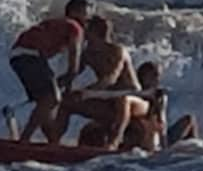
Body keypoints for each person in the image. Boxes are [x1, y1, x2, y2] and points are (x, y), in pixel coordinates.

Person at [7, 0, 90, 142]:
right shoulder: (75, 27)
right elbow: (73, 69)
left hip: (17, 55)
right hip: (30, 55)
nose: (87, 19)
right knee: (52, 98)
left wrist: (59, 84)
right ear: (75, 12)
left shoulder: (57, 23)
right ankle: (24, 139)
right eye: (86, 14)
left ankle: (52, 141)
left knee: (46, 102)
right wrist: (67, 91)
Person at [59, 15, 150, 147]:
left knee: (122, 99)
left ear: (96, 33)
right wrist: (54, 86)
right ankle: (54, 142)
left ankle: (113, 143)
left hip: (136, 101)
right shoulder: (88, 53)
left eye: (87, 31)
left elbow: (110, 79)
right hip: (107, 101)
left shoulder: (117, 51)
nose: (84, 35)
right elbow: (72, 74)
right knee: (66, 102)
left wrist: (86, 92)